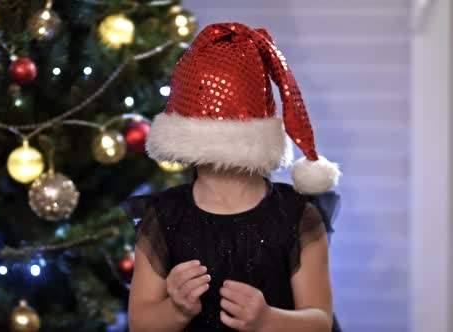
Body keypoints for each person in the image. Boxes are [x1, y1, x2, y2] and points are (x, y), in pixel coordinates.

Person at [124, 23, 342, 332]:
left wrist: (267, 320)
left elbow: (319, 322)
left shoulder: (297, 217)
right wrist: (177, 308)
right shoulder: (164, 217)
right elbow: (141, 323)